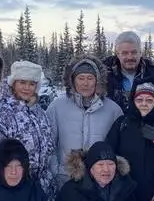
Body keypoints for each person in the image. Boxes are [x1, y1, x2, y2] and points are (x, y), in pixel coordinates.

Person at [46, 56, 122, 188]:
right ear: (72, 80)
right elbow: (48, 143)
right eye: (81, 78)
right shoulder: (56, 107)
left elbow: (120, 147)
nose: (85, 83)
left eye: (90, 78)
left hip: (100, 182)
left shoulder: (113, 110)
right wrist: (55, 170)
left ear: (98, 81)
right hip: (65, 179)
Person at [0, 60, 55, 201]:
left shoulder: (39, 112)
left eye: (32, 84)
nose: (27, 88)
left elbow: (49, 147)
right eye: (22, 83)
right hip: (14, 189)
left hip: (43, 188)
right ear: (13, 84)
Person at [103, 30, 154, 112]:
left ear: (140, 52)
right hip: (112, 123)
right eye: (125, 53)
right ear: (117, 54)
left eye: (134, 52)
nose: (130, 57)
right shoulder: (104, 74)